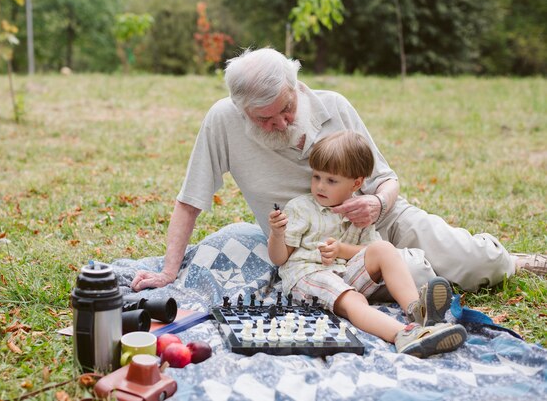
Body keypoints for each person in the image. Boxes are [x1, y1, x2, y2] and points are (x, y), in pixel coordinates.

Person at [131, 47, 539, 293]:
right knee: (413, 273)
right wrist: (169, 270)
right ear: (242, 111)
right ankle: (425, 277)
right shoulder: (222, 121)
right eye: (264, 119)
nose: (280, 123)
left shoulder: (335, 106)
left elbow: (388, 180)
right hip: (318, 250)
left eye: (286, 109)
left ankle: (511, 260)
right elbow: (191, 200)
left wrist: (377, 204)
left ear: (296, 86)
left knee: (482, 265)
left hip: (381, 219)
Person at [267, 131, 467, 357]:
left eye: (331, 180)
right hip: (308, 276)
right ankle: (404, 334)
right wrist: (277, 234)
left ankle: (417, 310)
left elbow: (369, 250)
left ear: (357, 183)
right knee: (355, 299)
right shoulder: (301, 208)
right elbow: (279, 259)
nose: (320, 186)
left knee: (384, 249)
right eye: (316, 177)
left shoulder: (360, 211)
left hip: (344, 273)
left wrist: (342, 250)